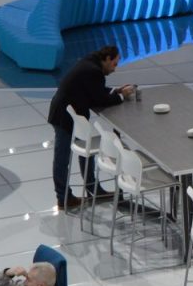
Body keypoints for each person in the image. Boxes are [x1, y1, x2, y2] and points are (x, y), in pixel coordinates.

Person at [48, 46, 135, 210]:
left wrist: (116, 90)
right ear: (108, 59)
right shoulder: (94, 71)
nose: (115, 69)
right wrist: (122, 96)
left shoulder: (90, 62)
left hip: (73, 115)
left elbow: (95, 91)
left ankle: (92, 188)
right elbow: (99, 99)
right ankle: (63, 198)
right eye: (114, 64)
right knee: (62, 159)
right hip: (63, 116)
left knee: (84, 153)